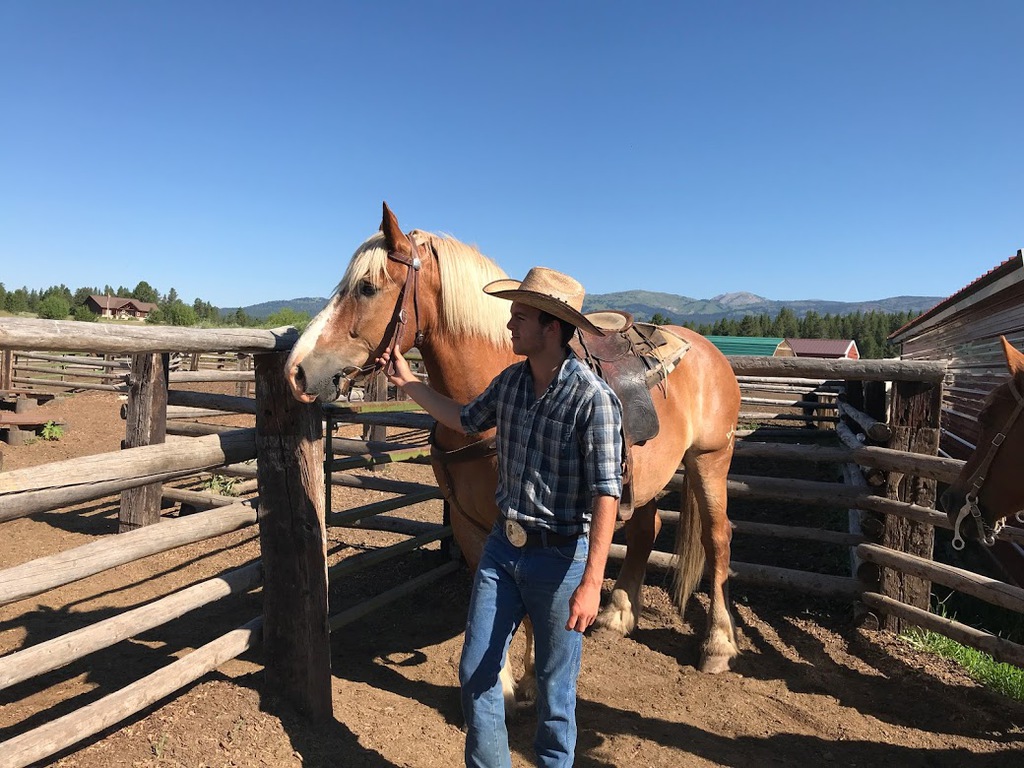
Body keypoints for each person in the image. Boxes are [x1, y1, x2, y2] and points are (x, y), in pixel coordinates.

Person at [378, 266, 623, 768]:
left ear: (551, 327)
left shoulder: (592, 399)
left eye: (519, 317)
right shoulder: (510, 383)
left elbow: (606, 492)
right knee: (476, 671)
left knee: (555, 689)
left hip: (560, 558)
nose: (509, 325)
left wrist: (593, 580)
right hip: (501, 550)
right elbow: (464, 418)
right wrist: (410, 382)